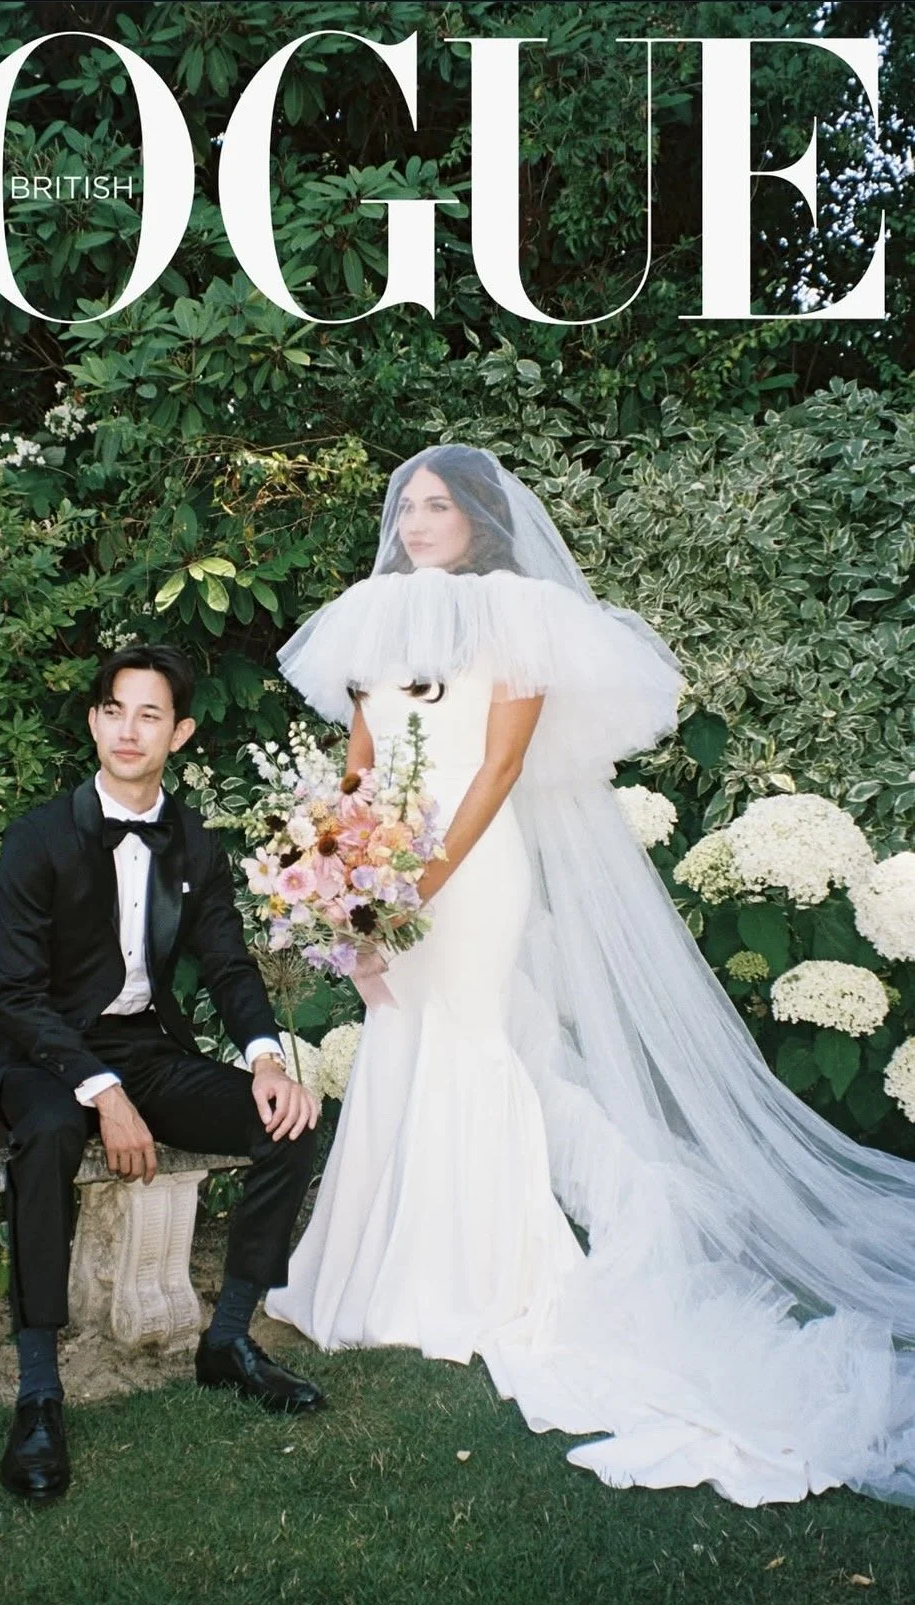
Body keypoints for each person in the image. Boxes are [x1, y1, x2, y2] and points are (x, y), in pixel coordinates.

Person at [266, 444, 915, 1508]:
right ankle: (363, 1275)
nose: (420, 522)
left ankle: (477, 1280)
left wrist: (420, 882)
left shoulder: (518, 616)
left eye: (440, 507)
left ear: (477, 521)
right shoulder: (373, 621)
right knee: (397, 1043)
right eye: (409, 506)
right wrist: (341, 880)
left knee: (471, 1047)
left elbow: (498, 768)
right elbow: (361, 769)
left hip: (471, 882)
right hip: (390, 874)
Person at [0, 644, 324, 1503]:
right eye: (114, 710)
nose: (129, 729)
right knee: (49, 1131)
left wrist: (267, 1060)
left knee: (291, 1120)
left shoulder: (192, 838)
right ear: (93, 720)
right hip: (41, 1052)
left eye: (150, 714)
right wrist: (101, 1091)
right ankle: (40, 1394)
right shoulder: (40, 836)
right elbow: (14, 990)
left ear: (181, 732)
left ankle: (227, 1339)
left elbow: (229, 965)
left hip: (146, 1048)